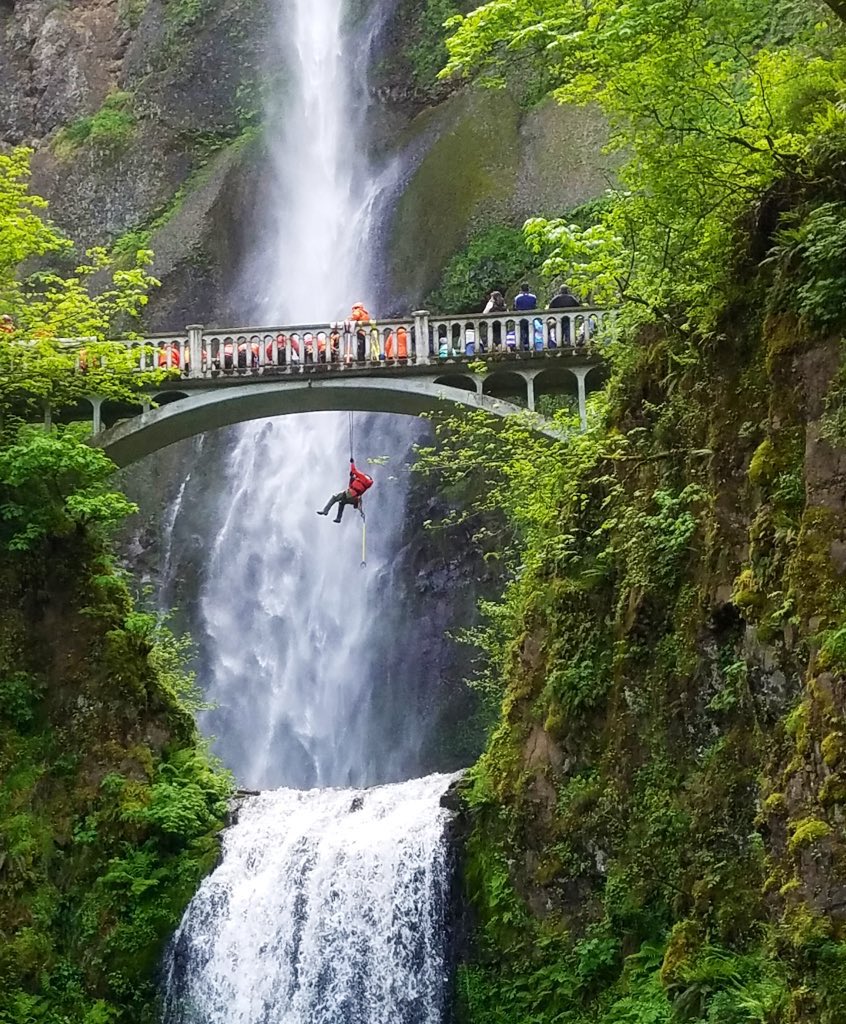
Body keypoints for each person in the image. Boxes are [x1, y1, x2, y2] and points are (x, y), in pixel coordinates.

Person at [317, 458, 373, 523]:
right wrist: (352, 478)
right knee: (342, 503)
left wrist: (352, 463)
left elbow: (354, 470)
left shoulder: (362, 477)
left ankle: (325, 511)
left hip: (350, 494)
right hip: (354, 498)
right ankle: (338, 519)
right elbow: (353, 486)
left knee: (334, 497)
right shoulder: (366, 484)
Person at [514, 283, 537, 349]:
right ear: (528, 289)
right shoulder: (533, 297)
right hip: (531, 317)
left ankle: (522, 345)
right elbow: (534, 306)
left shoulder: (517, 298)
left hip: (521, 318)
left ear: (521, 289)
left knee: (522, 332)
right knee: (531, 331)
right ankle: (531, 345)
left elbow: (515, 308)